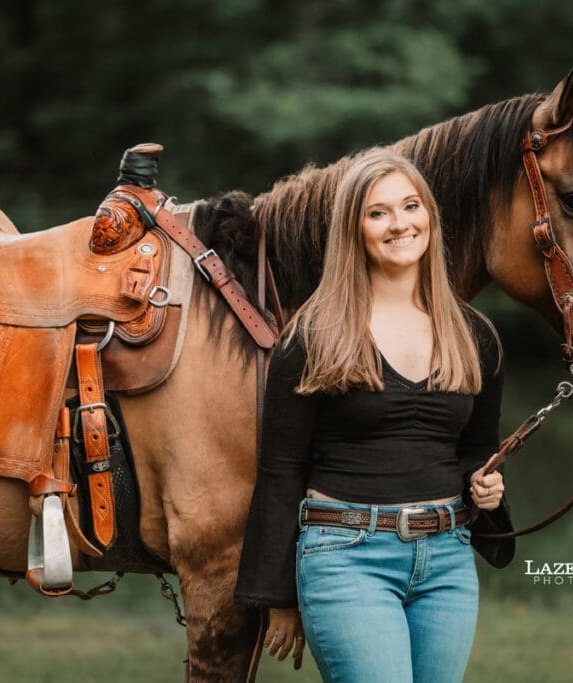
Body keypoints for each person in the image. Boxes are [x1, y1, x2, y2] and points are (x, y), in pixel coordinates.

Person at [235, 150, 515, 682]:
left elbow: (477, 450)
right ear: (354, 229)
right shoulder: (314, 337)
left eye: (411, 206)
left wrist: (487, 487)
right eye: (378, 212)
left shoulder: (474, 336)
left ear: (429, 215)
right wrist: (279, 597)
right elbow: (280, 470)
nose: (399, 224)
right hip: (346, 556)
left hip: (447, 561)